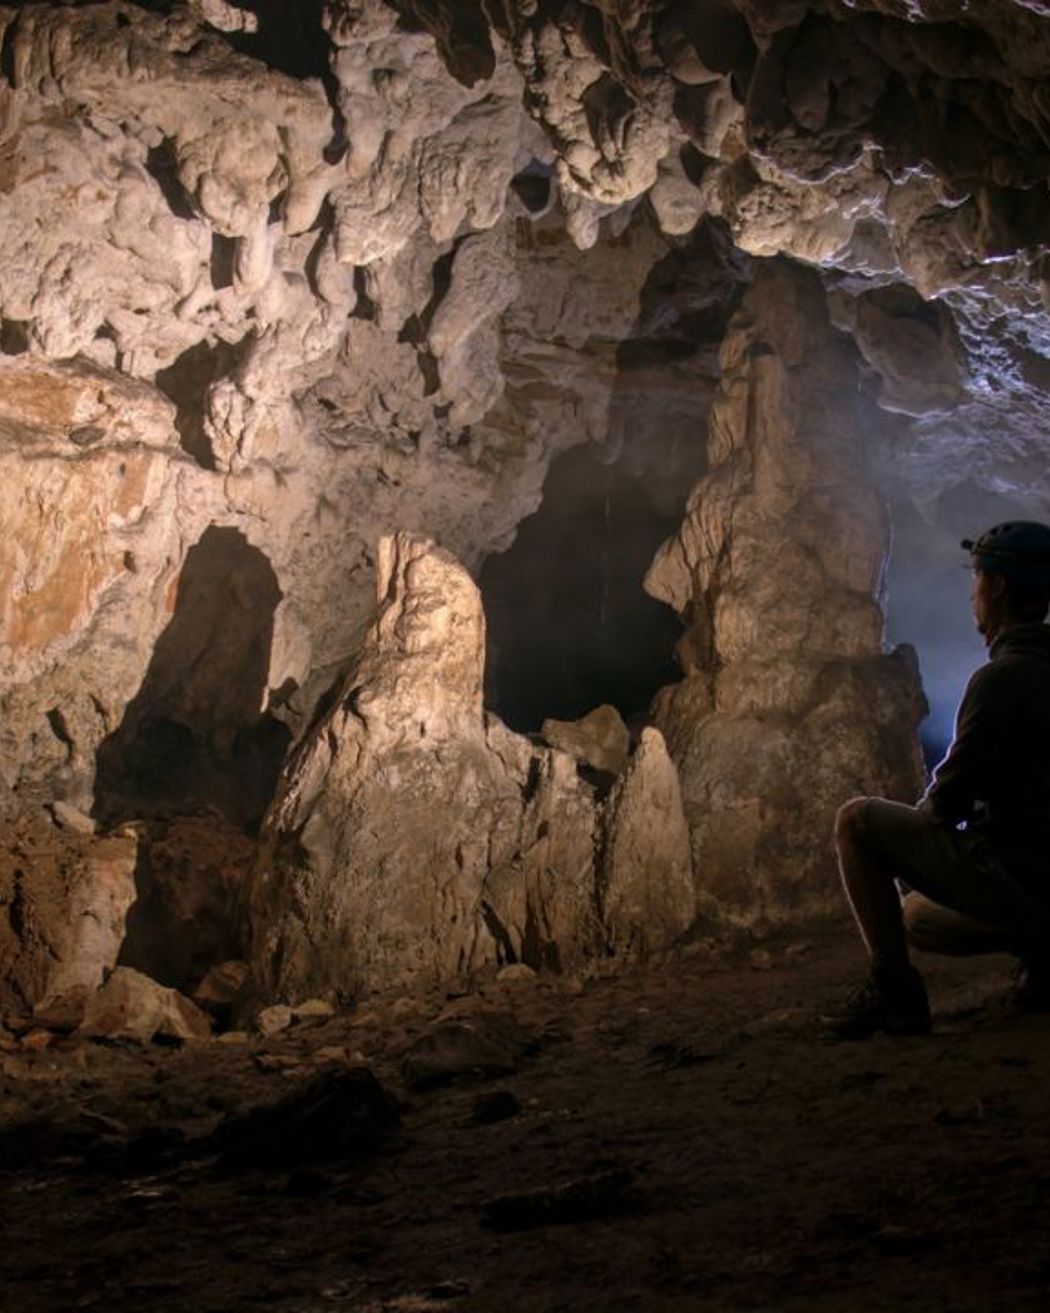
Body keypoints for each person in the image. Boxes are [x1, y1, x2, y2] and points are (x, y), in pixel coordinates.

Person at [824, 521, 1050, 1039]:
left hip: (1029, 880)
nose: (973, 596)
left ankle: (895, 992)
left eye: (976, 582)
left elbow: (947, 802)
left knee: (858, 822)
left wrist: (917, 847)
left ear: (995, 587)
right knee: (920, 916)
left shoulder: (1001, 679)